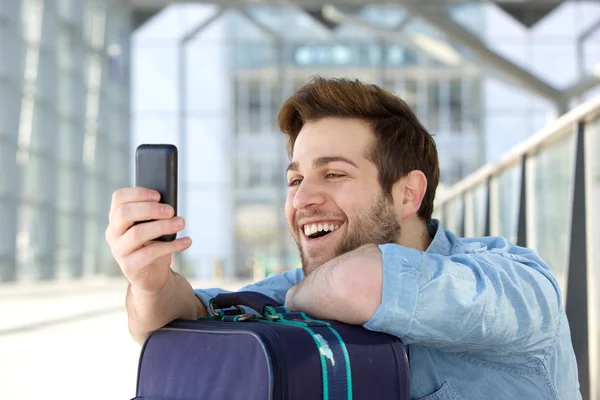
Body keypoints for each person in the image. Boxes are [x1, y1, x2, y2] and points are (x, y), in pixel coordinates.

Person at [105, 77, 581, 399]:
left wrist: (290, 300)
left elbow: (362, 284)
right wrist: (149, 281)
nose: (303, 199)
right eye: (295, 181)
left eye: (333, 174)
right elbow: (172, 321)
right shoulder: (304, 283)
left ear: (407, 194)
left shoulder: (514, 281)